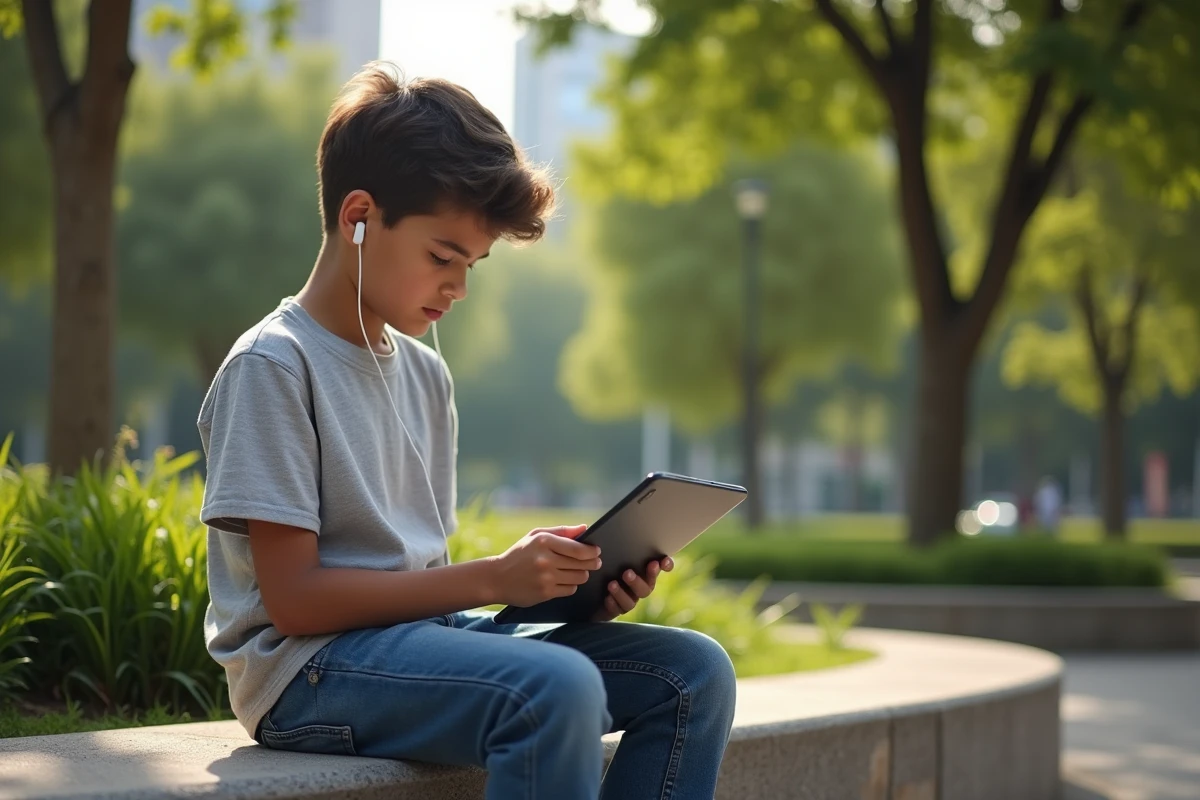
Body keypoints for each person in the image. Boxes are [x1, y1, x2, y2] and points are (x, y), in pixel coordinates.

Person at [197, 62, 737, 800]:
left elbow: (421, 585)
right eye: (442, 257)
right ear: (358, 218)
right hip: (309, 674)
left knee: (694, 674)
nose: (458, 286)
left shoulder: (425, 376)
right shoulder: (274, 365)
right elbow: (295, 602)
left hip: (422, 645)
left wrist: (561, 584)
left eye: (473, 264)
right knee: (557, 690)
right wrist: (492, 576)